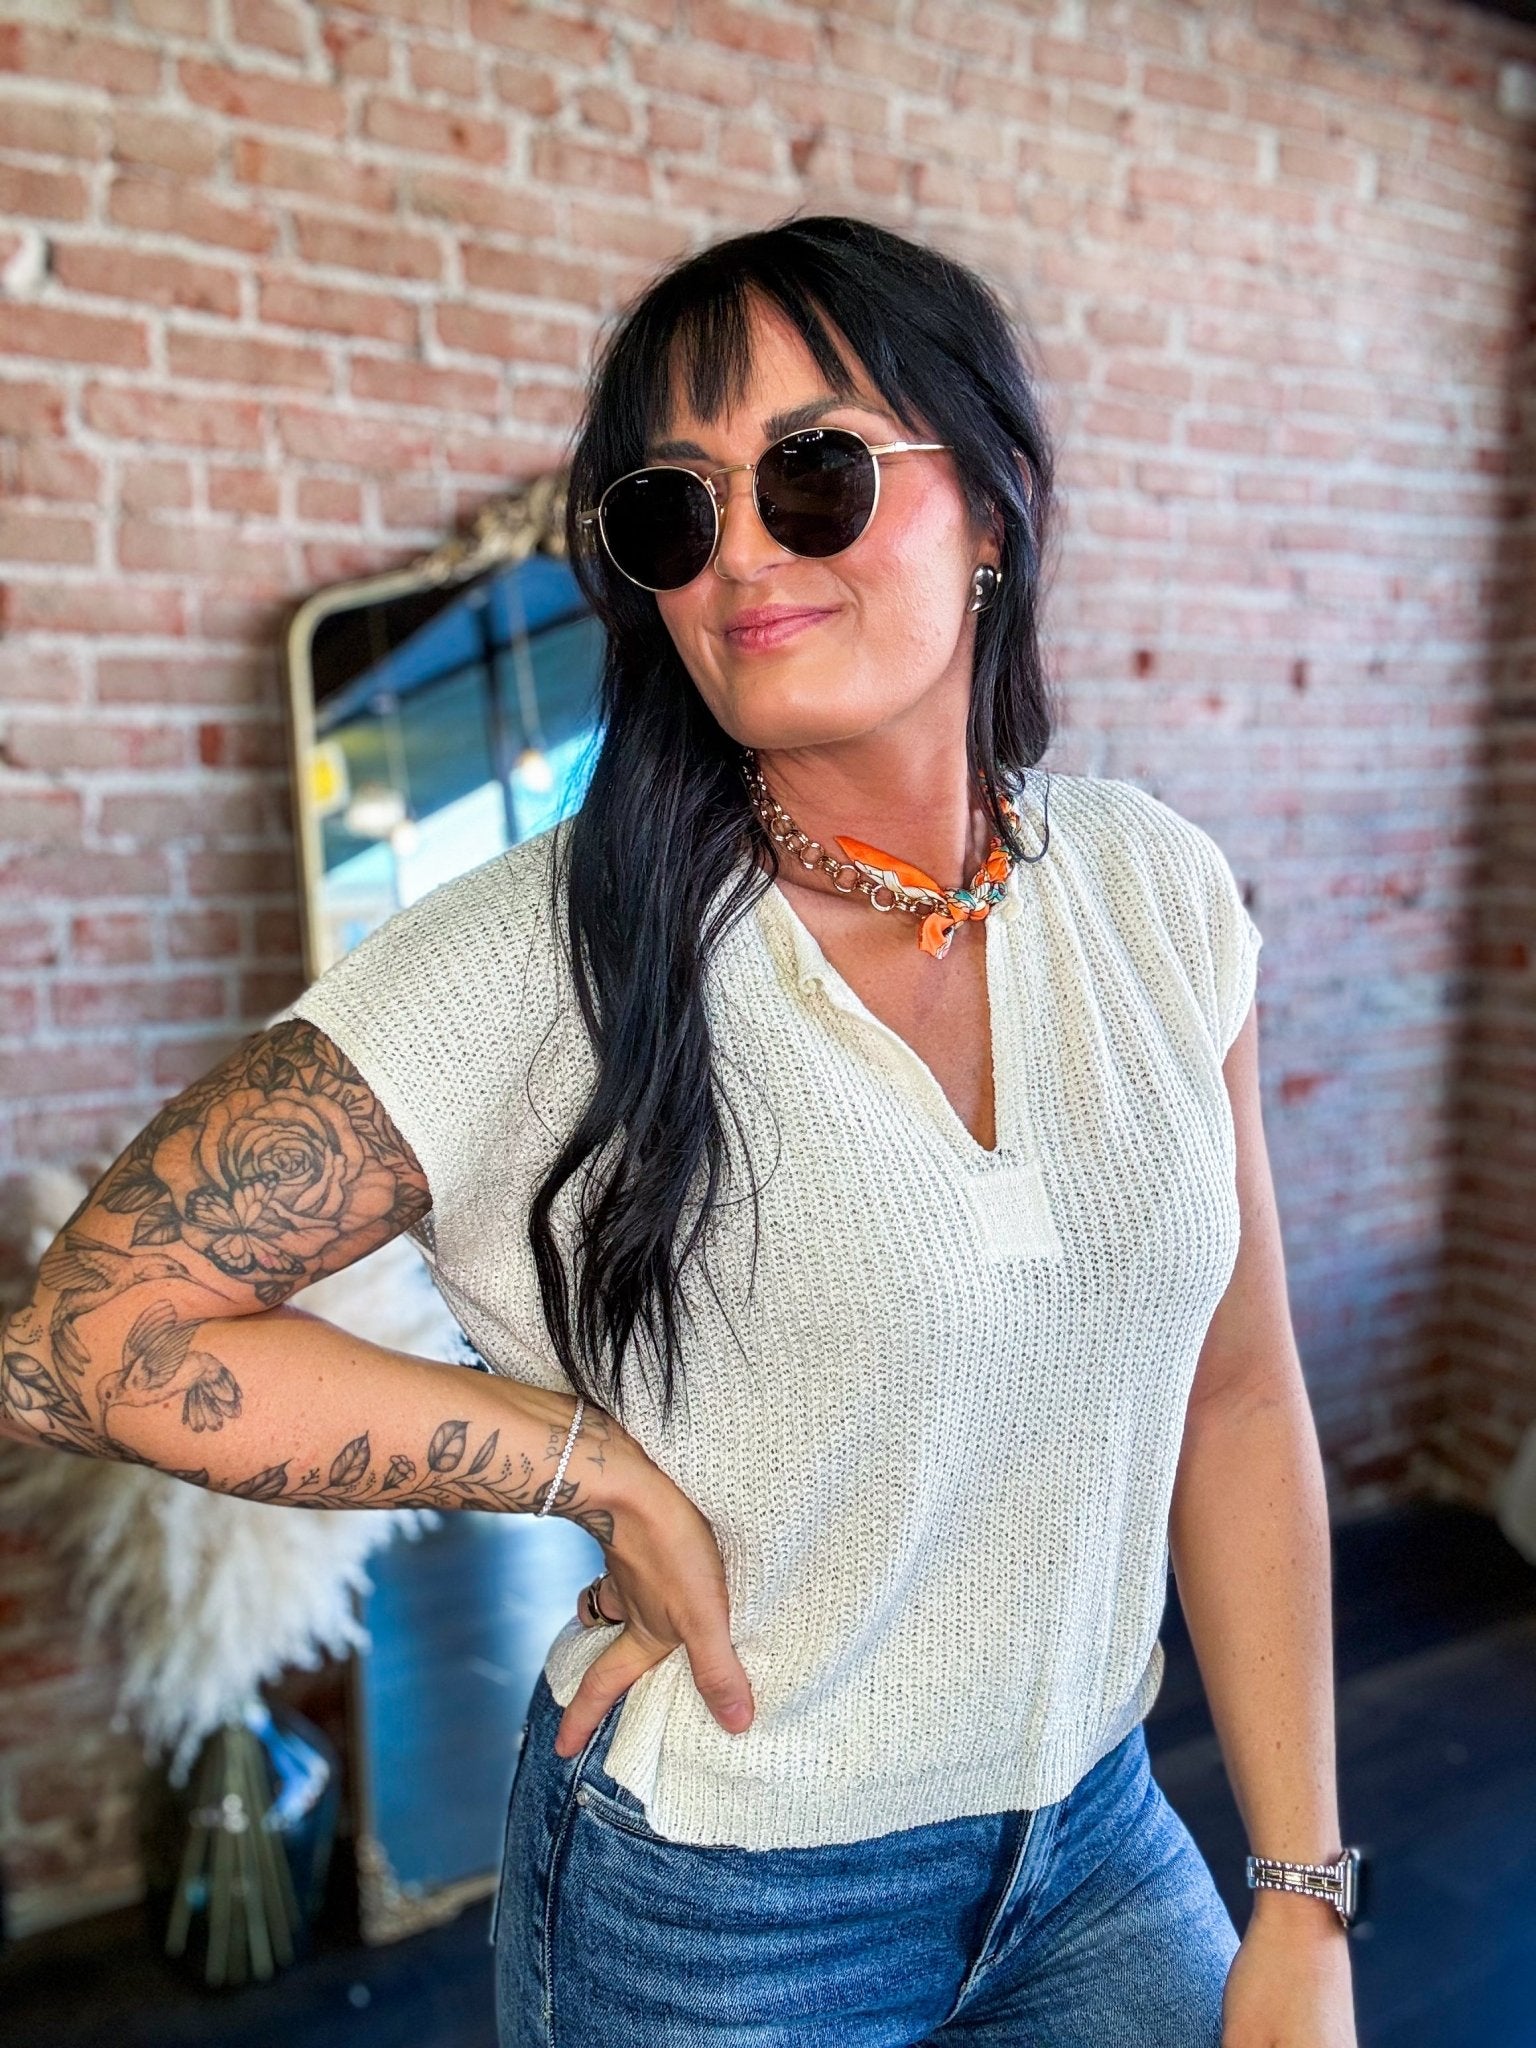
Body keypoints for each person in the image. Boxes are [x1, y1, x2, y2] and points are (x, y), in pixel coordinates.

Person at [1, 213, 1357, 2047]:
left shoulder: (1157, 895)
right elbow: (83, 1338)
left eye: (812, 474)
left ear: (993, 506)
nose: (739, 555)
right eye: (671, 511)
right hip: (728, 1906)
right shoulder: (542, 956)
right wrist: (590, 1471)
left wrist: (1303, 1891)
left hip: (1098, 1842)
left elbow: (1240, 1396)